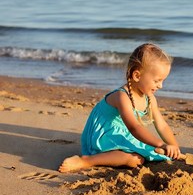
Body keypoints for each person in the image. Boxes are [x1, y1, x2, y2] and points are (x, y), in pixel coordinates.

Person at [59, 43, 181, 173]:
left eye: (163, 81)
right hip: (104, 135)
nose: (161, 86)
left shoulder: (150, 98)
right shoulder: (122, 96)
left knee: (146, 156)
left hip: (123, 132)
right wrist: (161, 144)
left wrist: (174, 147)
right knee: (135, 160)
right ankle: (86, 160)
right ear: (137, 76)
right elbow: (134, 128)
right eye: (157, 81)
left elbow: (162, 126)